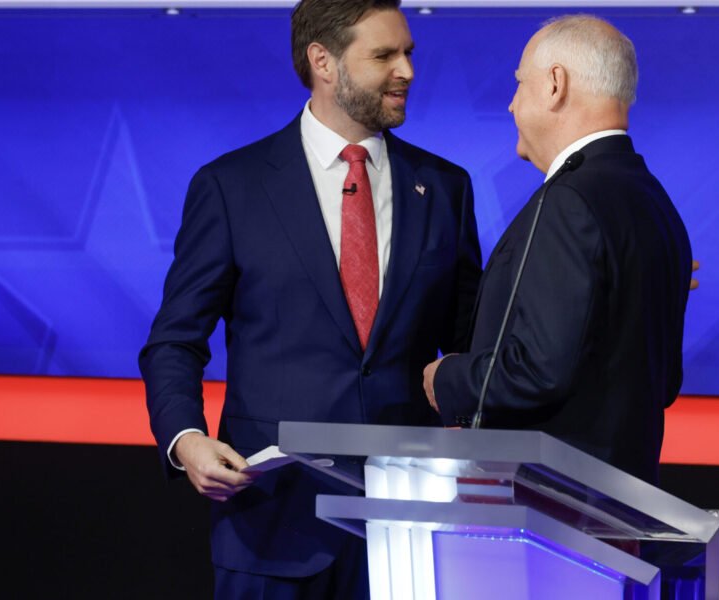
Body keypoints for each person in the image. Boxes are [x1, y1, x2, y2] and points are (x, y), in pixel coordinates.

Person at [139, 0, 481, 596]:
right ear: (323, 61)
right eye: (384, 55)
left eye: (408, 53)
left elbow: (471, 341)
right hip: (270, 522)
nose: (406, 70)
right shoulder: (232, 186)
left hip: (405, 529)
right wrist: (185, 440)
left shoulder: (446, 188)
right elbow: (174, 339)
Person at [423, 15, 692, 487]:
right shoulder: (653, 201)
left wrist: (446, 378)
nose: (510, 106)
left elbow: (539, 370)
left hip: (551, 506)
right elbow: (664, 380)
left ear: (554, 85)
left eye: (519, 84)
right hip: (616, 501)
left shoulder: (570, 200)